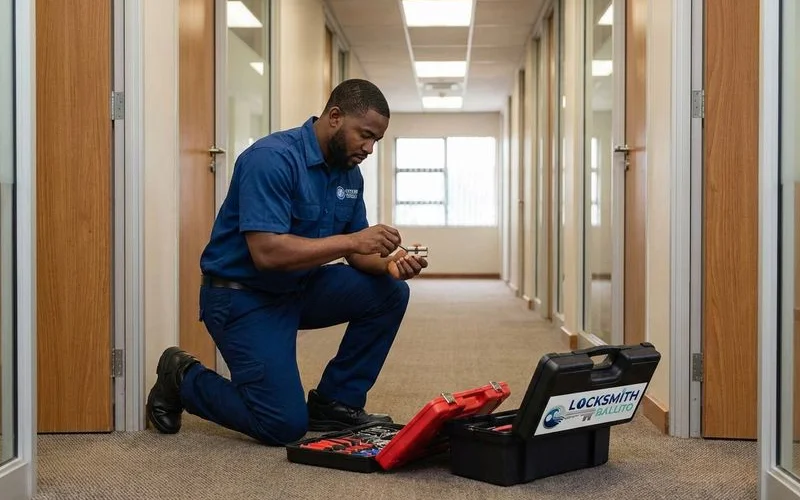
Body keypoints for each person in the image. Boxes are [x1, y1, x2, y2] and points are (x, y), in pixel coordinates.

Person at [145, 79, 427, 446]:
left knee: (390, 291)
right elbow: (268, 253)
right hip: (243, 297)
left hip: (298, 288)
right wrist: (354, 241)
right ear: (335, 117)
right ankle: (182, 376)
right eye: (366, 135)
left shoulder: (348, 173)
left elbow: (358, 253)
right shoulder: (271, 158)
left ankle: (336, 402)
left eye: (377, 140)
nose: (369, 148)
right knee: (281, 424)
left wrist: (390, 264)